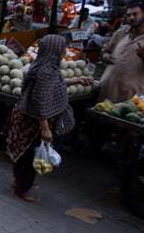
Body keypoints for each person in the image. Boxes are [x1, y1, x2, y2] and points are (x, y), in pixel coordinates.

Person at [5, 34, 91, 201]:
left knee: (25, 154)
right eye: (63, 48)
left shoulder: (44, 66)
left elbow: (54, 84)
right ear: (55, 50)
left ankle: (18, 184)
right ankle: (22, 190)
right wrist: (45, 128)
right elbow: (39, 101)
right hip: (34, 121)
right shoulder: (46, 71)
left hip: (27, 116)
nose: (65, 51)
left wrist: (77, 80)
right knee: (29, 157)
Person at [99, 2, 144, 103]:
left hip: (130, 91)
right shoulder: (121, 32)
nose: (132, 17)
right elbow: (106, 50)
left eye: (135, 14)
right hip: (108, 85)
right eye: (129, 15)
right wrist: (105, 55)